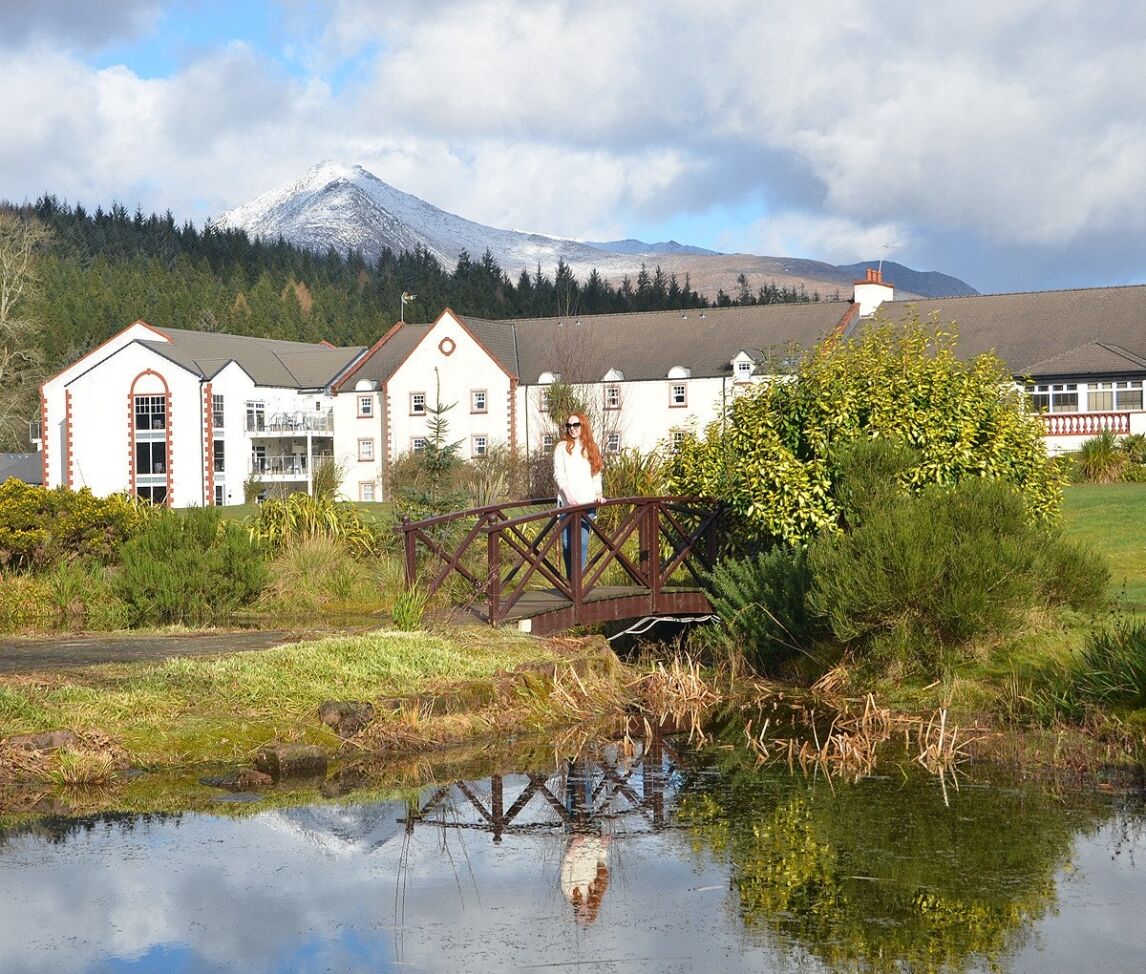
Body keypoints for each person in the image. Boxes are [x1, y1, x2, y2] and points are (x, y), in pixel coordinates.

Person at [553, 412, 604, 577]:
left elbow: (596, 473)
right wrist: (567, 495)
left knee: (581, 544)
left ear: (583, 426)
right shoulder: (562, 448)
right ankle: (571, 580)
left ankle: (578, 582)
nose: (572, 428)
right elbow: (559, 474)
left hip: (587, 502)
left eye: (576, 425)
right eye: (569, 425)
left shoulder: (592, 447)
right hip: (567, 503)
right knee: (567, 544)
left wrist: (598, 493)